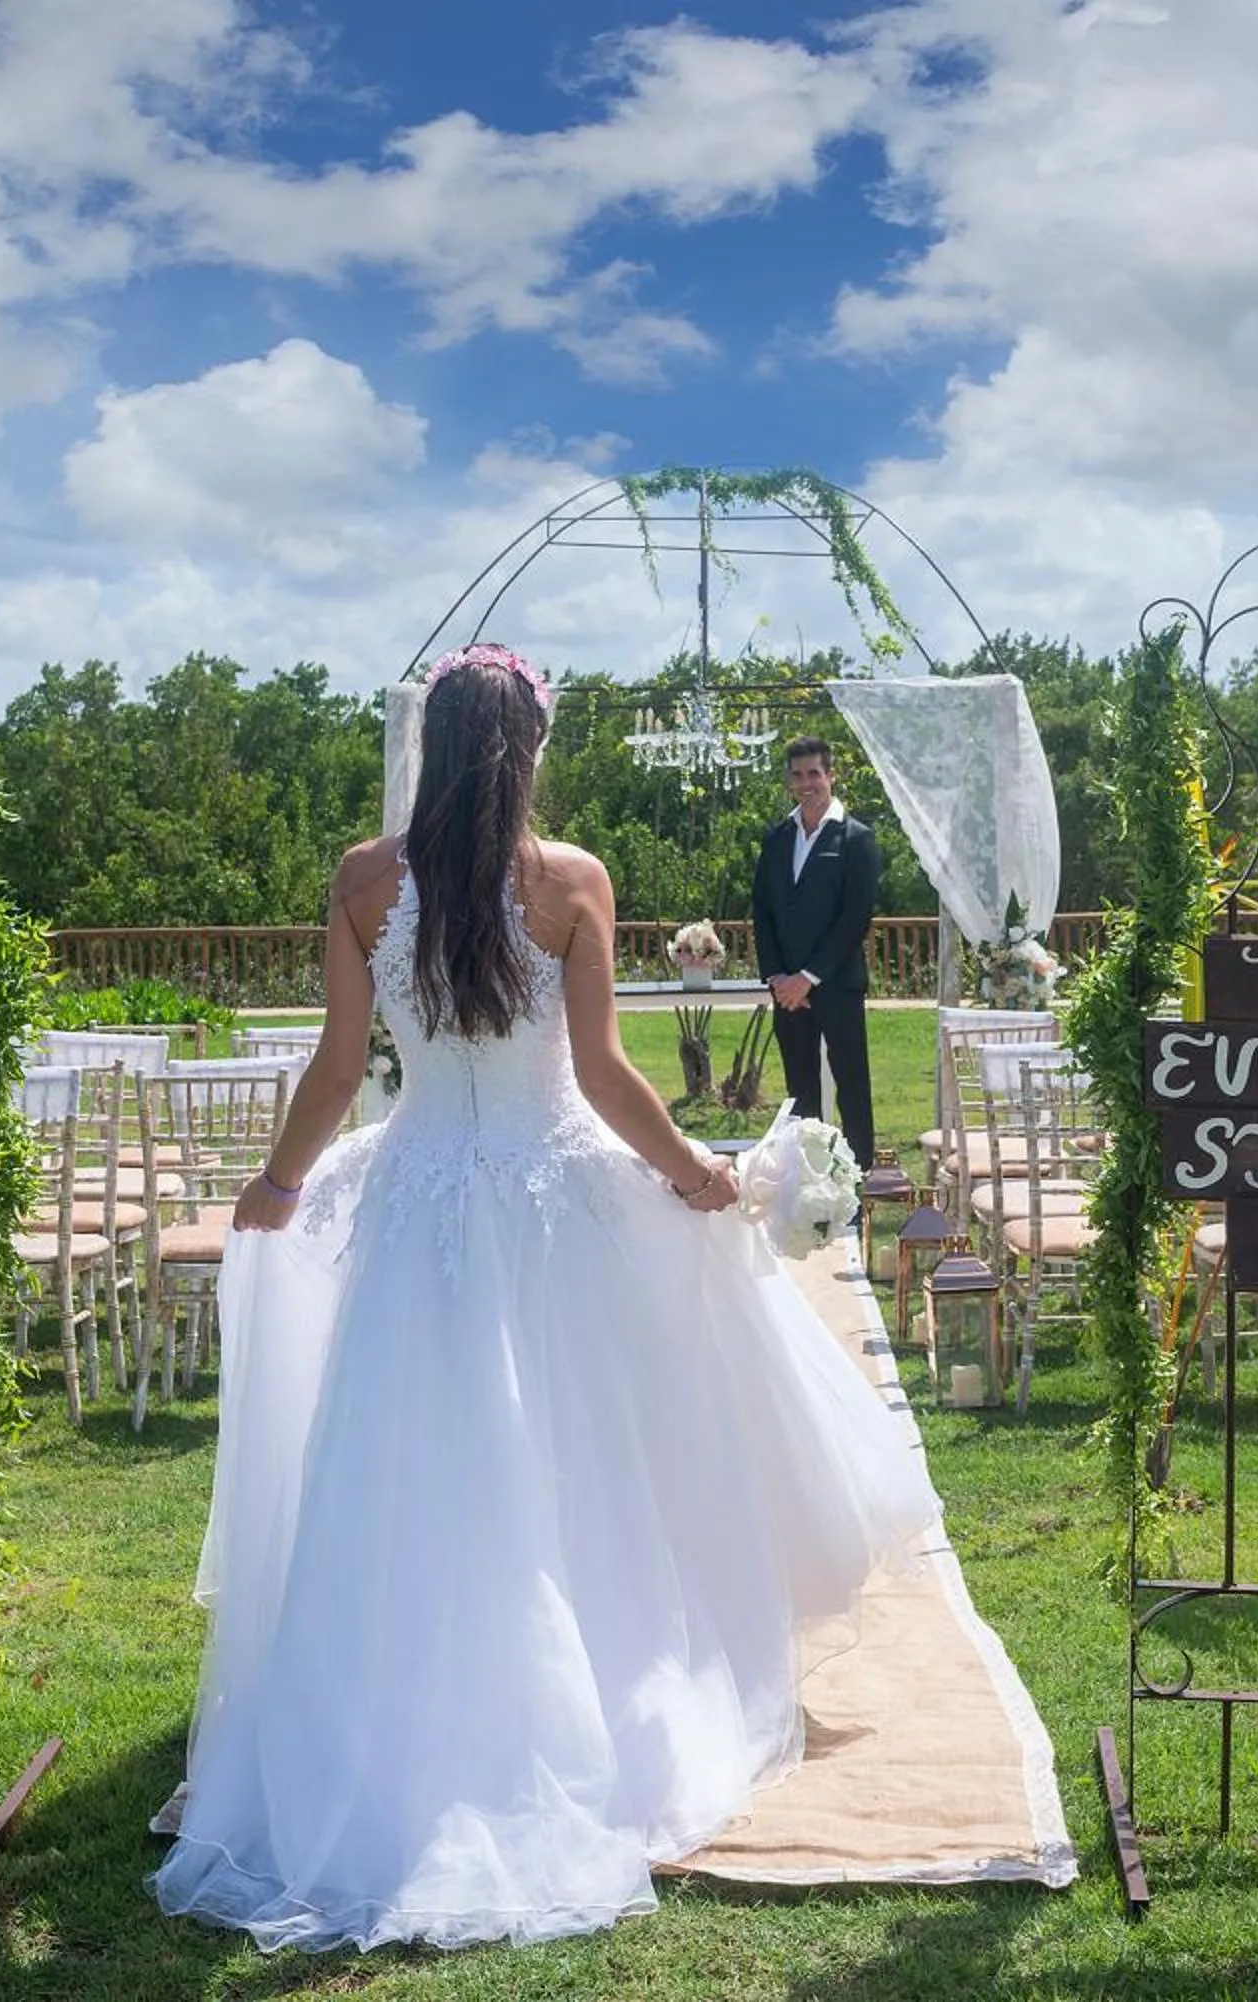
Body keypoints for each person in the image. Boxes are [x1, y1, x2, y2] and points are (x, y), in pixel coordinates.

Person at [154, 644, 942, 1953]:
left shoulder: (361, 880)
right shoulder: (572, 879)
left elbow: (341, 1066)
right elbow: (606, 1071)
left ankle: (411, 1709)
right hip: (550, 1199)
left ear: (434, 746)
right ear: (525, 749)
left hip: (416, 1206)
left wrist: (278, 1185)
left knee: (418, 1460)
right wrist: (694, 1172)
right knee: (586, 1456)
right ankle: (584, 1696)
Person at [749, 736, 881, 1176]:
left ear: (830, 776)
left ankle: (857, 1181)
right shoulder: (777, 838)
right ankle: (806, 1181)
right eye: (798, 775)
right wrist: (778, 978)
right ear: (790, 780)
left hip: (837, 985)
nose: (806, 783)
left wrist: (809, 977)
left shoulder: (856, 838)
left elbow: (855, 918)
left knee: (852, 1087)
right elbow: (763, 911)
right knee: (800, 1092)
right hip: (787, 992)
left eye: (814, 774)